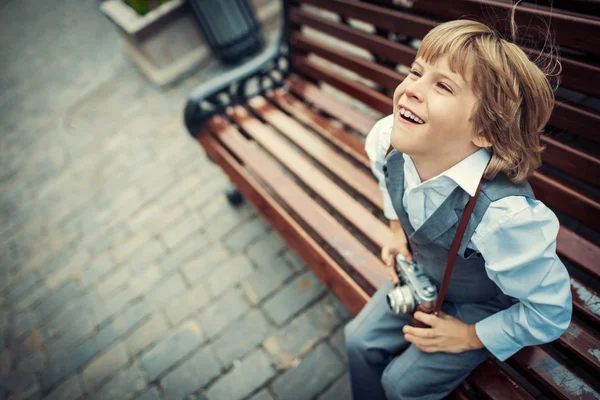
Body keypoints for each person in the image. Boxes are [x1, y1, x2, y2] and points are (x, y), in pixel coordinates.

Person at [343, 18, 572, 400]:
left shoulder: (505, 218)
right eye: (416, 71)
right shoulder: (387, 139)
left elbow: (551, 312)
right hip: (425, 276)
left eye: (443, 86)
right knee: (357, 342)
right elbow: (388, 182)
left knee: (400, 385)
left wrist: (469, 336)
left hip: (482, 306)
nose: (411, 90)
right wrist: (397, 231)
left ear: (484, 132)